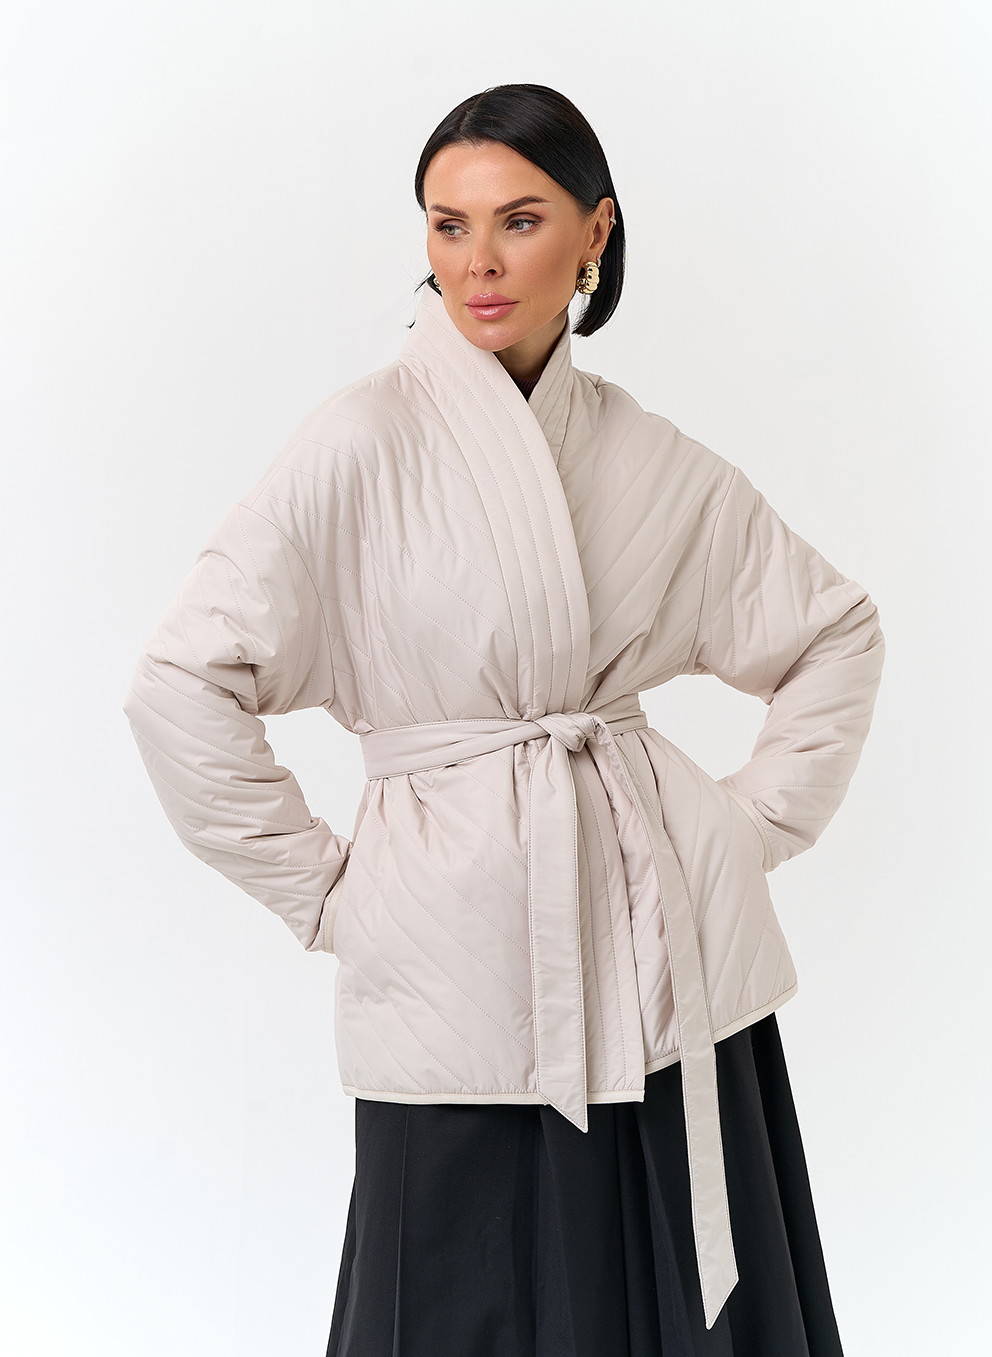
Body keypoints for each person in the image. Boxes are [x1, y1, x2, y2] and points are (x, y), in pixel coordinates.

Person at [125, 84, 884, 1356]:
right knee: (451, 1293)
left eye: (517, 221)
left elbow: (832, 632)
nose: (476, 262)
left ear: (594, 233)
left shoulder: (644, 453)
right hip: (448, 959)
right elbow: (179, 682)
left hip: (665, 956)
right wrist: (329, 893)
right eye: (447, 225)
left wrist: (741, 833)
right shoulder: (359, 443)